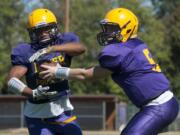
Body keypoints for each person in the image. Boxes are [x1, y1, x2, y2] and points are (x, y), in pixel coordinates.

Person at [39, 8, 179, 135]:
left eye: (111, 29)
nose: (107, 33)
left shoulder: (121, 51)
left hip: (159, 106)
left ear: (127, 29)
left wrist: (58, 71)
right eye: (106, 28)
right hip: (162, 104)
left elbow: (86, 74)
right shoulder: (134, 46)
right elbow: (92, 71)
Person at [7, 8, 86, 135]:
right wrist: (33, 93)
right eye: (38, 30)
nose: (43, 33)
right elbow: (11, 81)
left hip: (62, 110)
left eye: (46, 29)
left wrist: (51, 49)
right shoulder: (26, 51)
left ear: (54, 27)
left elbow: (81, 48)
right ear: (32, 32)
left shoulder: (62, 42)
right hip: (37, 115)